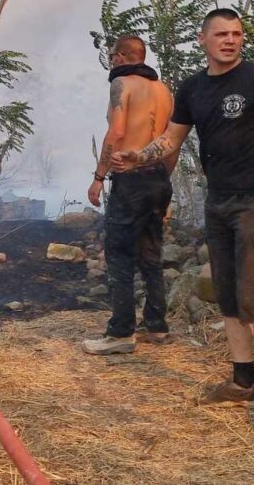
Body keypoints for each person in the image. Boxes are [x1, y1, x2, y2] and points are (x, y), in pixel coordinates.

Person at [112, 8, 254, 431]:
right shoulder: (193, 88)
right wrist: (138, 156)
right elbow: (170, 139)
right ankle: (244, 381)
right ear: (202, 39)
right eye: (221, 34)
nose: (230, 40)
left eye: (237, 34)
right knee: (228, 298)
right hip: (219, 202)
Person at [83, 36, 177, 355]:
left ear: (122, 57)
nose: (110, 62)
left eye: (112, 56)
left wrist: (98, 177)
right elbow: (171, 141)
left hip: (130, 179)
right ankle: (157, 326)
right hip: (159, 178)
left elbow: (118, 132)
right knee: (151, 253)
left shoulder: (121, 83)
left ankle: (121, 333)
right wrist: (164, 182)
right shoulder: (164, 90)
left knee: (119, 253)